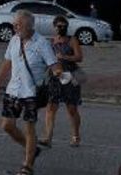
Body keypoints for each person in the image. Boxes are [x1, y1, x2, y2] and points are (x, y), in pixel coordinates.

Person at [0, 9, 64, 175]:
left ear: (30, 26)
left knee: (29, 128)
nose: (16, 27)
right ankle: (31, 148)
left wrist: (60, 72)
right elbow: (7, 64)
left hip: (31, 92)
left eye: (20, 24)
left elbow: (54, 65)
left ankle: (27, 167)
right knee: (7, 126)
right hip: (13, 90)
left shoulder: (42, 43)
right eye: (15, 24)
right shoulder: (14, 40)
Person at [40, 15, 83, 149]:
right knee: (51, 107)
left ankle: (75, 136)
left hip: (70, 76)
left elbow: (79, 57)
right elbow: (46, 60)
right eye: (59, 26)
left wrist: (64, 57)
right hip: (55, 77)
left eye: (64, 26)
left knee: (71, 108)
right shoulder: (51, 41)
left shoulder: (72, 40)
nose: (62, 28)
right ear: (54, 27)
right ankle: (48, 137)